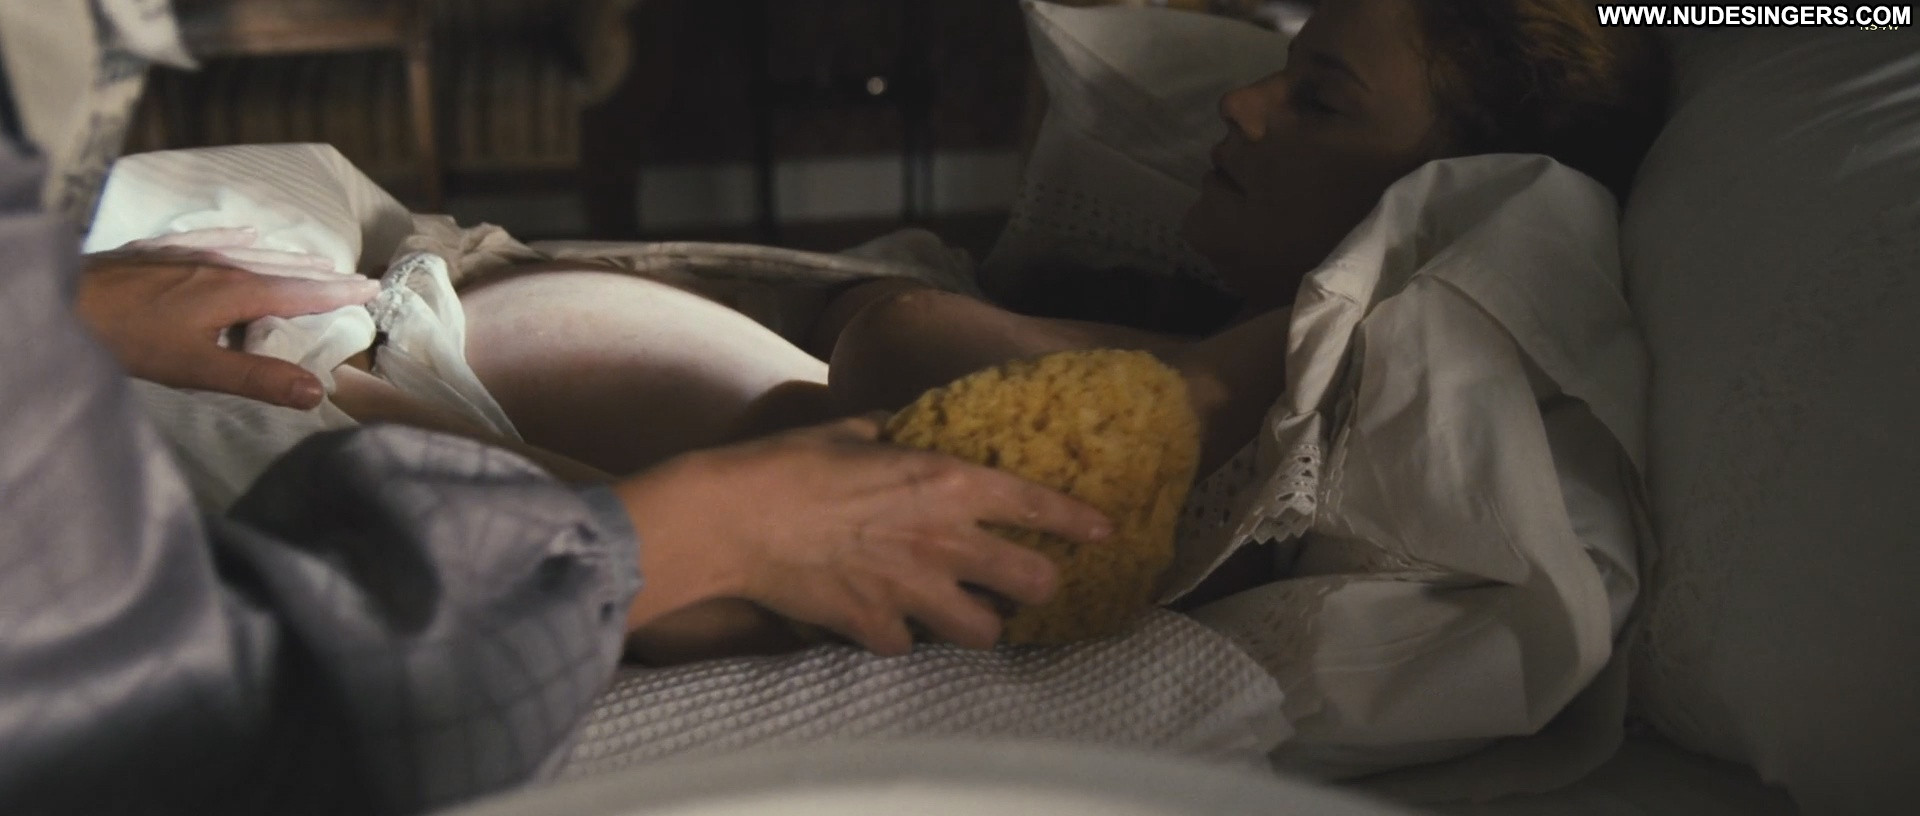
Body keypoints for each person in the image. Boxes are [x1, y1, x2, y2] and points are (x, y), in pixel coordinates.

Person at [0, 9, 1112, 816]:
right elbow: (176, 711)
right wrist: (690, 535)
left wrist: (58, 298)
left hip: (250, 288)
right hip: (239, 383)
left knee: (317, 264)